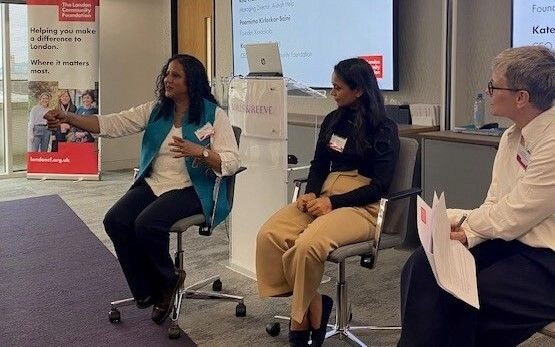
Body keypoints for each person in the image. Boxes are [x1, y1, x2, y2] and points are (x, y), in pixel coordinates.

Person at [45, 54, 240, 325]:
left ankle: (168, 280)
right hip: (154, 182)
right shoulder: (156, 110)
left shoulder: (213, 115)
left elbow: (231, 162)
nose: (168, 80)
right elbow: (111, 124)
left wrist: (202, 151)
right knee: (115, 220)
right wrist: (68, 117)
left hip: (193, 189)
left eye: (176, 76)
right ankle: (149, 289)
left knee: (147, 223)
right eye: (167, 74)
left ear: (192, 82)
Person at [399, 45, 555, 347]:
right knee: (422, 266)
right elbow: (496, 205)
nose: (488, 91)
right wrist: (466, 233)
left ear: (521, 97)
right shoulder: (513, 136)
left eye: (494, 86)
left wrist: (464, 226)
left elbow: (512, 216)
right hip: (511, 241)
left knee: (463, 300)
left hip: (547, 260)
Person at [256, 58, 400, 347]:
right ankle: (315, 303)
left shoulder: (383, 127)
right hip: (325, 192)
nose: (332, 92)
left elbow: (379, 187)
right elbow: (320, 163)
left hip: (363, 204)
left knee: (308, 245)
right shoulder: (333, 120)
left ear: (359, 90)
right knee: (269, 235)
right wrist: (310, 192)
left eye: (338, 87)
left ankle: (300, 319)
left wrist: (333, 203)